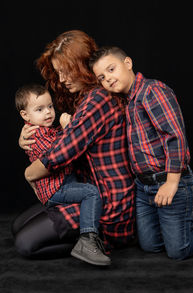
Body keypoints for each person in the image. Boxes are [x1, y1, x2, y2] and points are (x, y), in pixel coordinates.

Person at [88, 46, 193, 260]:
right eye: (102, 77)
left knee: (178, 250)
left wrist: (172, 182)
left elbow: (175, 136)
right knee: (150, 246)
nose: (108, 79)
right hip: (143, 186)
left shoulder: (152, 91)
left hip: (169, 180)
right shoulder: (128, 101)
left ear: (128, 63)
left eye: (111, 69)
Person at [13, 30, 135, 262]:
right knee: (18, 226)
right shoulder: (86, 97)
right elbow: (57, 137)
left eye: (65, 71)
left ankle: (92, 240)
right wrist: (29, 136)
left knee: (25, 245)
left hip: (108, 202)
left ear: (82, 65)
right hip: (86, 188)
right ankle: (80, 239)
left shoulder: (98, 100)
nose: (61, 80)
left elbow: (60, 155)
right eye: (58, 73)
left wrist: (29, 174)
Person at [15, 83, 111, 266]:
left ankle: (81, 241)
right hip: (57, 188)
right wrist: (69, 128)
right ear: (25, 116)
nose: (48, 112)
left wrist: (65, 128)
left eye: (50, 106)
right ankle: (88, 240)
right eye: (40, 109)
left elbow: (55, 137)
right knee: (91, 192)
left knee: (86, 191)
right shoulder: (34, 135)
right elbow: (57, 153)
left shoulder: (42, 129)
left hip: (61, 185)